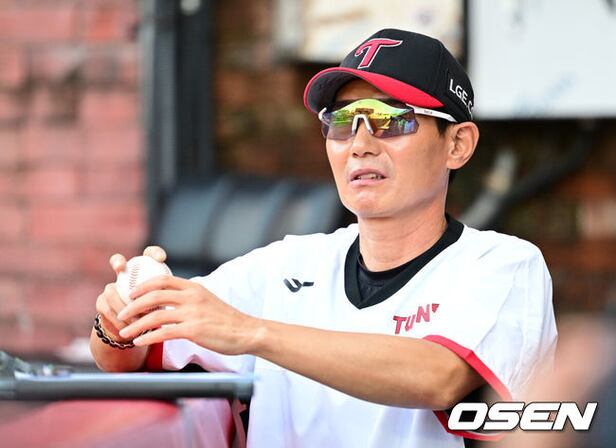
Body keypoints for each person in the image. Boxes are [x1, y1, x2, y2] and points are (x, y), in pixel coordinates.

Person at [90, 29, 557, 447]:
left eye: (389, 119)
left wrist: (251, 333)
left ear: (457, 144)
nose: (360, 144)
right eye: (342, 122)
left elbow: (439, 376)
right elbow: (126, 355)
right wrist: (117, 323)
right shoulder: (288, 264)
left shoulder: (503, 264)